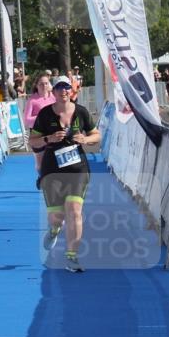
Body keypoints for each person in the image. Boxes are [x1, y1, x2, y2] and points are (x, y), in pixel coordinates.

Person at [29, 75, 101, 273]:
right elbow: (33, 142)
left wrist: (85, 140)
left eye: (67, 88)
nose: (63, 92)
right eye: (59, 88)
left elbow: (97, 135)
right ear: (54, 92)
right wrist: (48, 138)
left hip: (77, 169)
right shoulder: (45, 114)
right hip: (52, 171)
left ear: (72, 91)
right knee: (57, 218)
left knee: (74, 210)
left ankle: (72, 257)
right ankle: (54, 230)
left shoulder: (81, 112)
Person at [24, 73, 56, 188]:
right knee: (40, 164)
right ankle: (41, 176)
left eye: (46, 83)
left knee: (54, 159)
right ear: (36, 85)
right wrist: (42, 118)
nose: (44, 86)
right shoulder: (32, 100)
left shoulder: (54, 98)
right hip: (37, 136)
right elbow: (26, 120)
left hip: (53, 134)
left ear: (49, 84)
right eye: (41, 84)